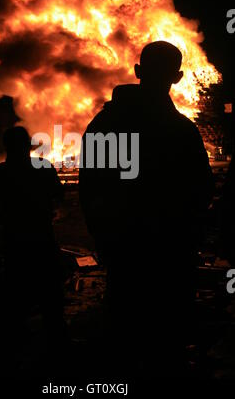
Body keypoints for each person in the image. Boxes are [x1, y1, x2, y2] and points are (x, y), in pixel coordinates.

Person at [79, 41, 214, 376]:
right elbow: (201, 192)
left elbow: (92, 189)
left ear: (137, 72)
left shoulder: (104, 125)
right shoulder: (182, 131)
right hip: (171, 256)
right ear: (179, 77)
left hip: (124, 252)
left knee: (125, 338)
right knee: (167, 346)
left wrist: (106, 238)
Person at [0, 126, 65, 361]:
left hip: (15, 239)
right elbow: (58, 194)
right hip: (42, 237)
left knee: (15, 288)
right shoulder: (43, 168)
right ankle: (56, 340)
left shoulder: (1, 171)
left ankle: (15, 339)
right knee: (50, 291)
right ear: (28, 146)